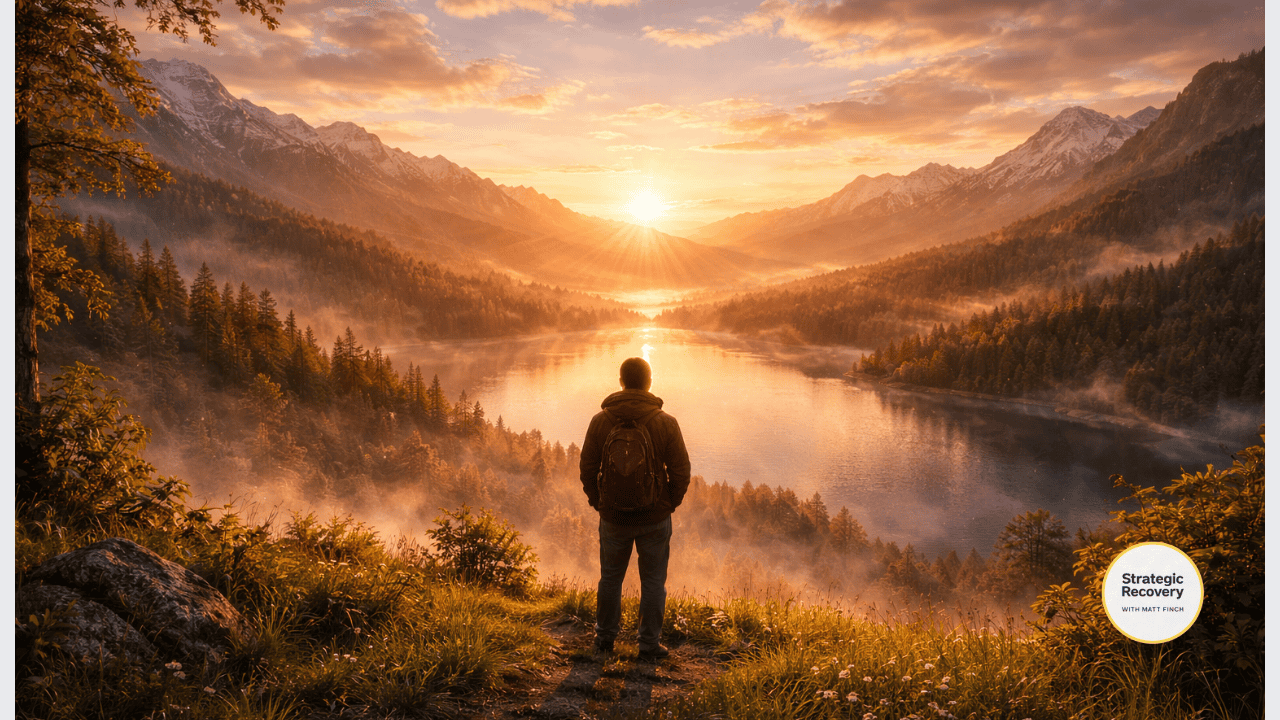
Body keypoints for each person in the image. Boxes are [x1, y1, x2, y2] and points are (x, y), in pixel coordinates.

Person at [579, 357, 690, 660]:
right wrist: (666, 505)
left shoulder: (601, 421)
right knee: (653, 581)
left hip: (613, 516)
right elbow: (681, 472)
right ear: (650, 382)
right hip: (655, 518)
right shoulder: (665, 422)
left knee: (610, 578)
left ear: (621, 382)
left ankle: (604, 641)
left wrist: (599, 503)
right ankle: (649, 645)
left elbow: (587, 468)